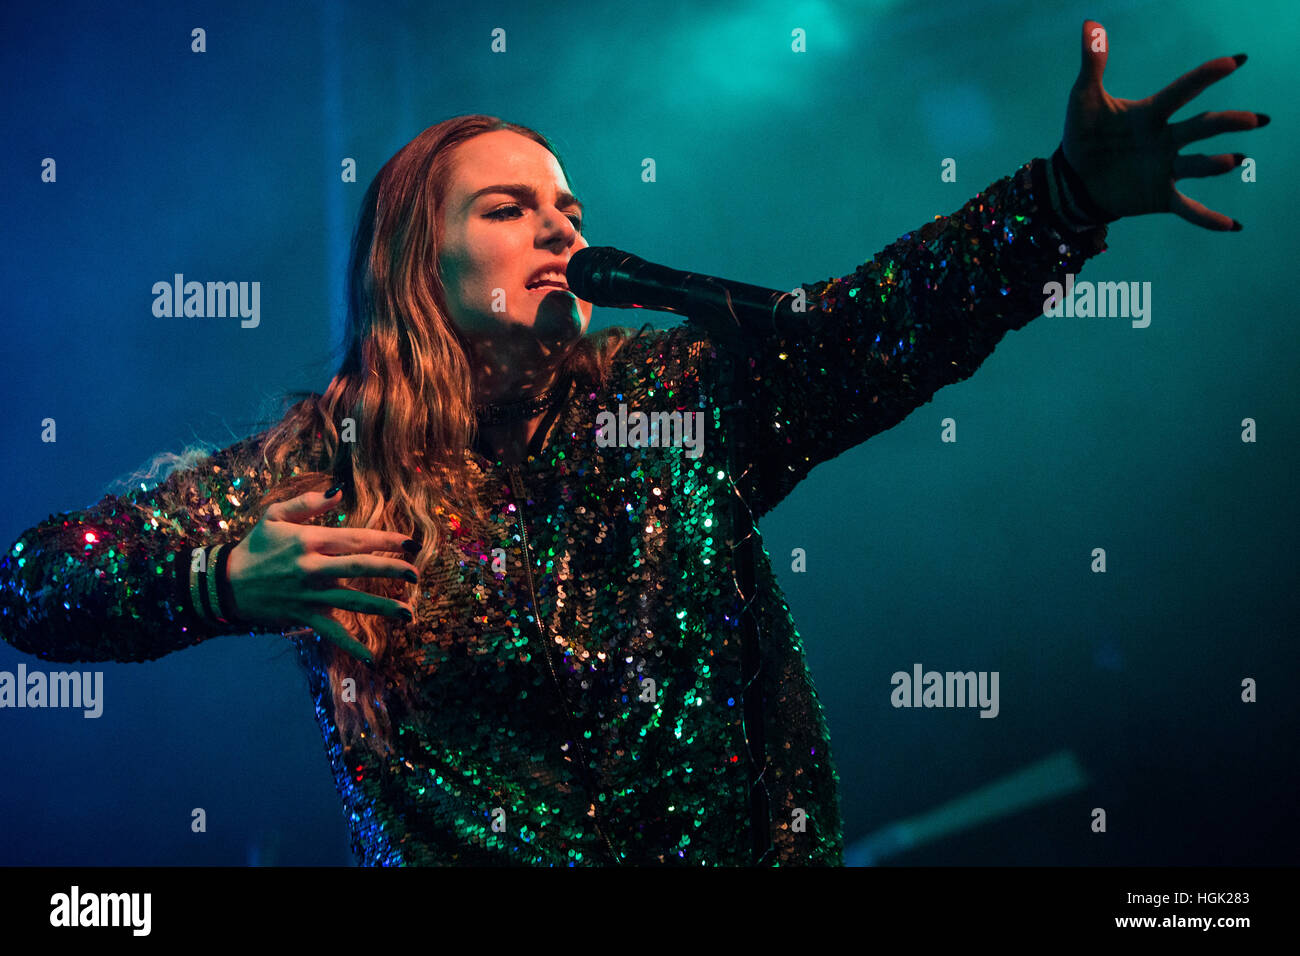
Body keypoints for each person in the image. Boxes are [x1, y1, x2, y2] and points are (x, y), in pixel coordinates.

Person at [0, 22, 1265, 865]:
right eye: (508, 208)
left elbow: (875, 324)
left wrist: (1061, 198)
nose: (558, 228)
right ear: (410, 260)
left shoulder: (665, 404)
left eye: (571, 209)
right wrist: (214, 578)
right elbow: (36, 578)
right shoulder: (320, 467)